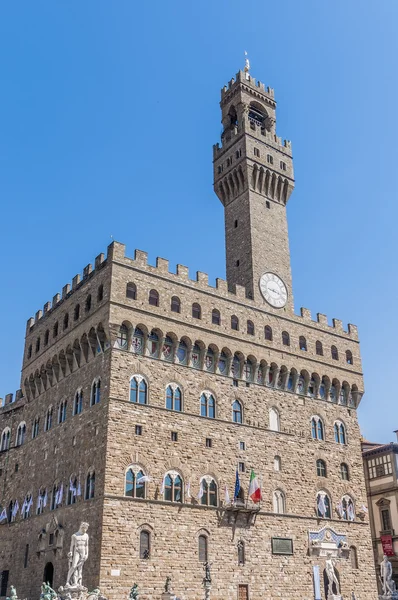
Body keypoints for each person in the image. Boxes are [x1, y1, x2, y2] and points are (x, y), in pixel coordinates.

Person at [66, 522, 89, 586]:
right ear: (81, 528)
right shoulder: (74, 535)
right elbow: (72, 545)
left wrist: (87, 554)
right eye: (84, 529)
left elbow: (86, 545)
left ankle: (78, 582)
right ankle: (67, 581)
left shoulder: (86, 535)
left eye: (86, 529)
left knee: (80, 568)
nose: (85, 530)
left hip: (83, 551)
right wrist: (70, 552)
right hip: (77, 551)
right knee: (73, 566)